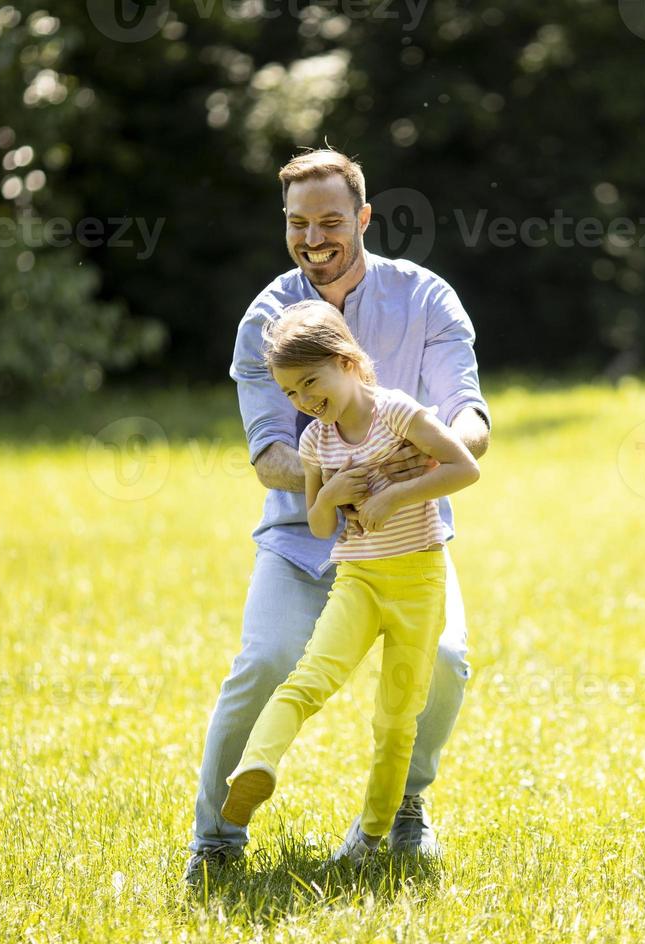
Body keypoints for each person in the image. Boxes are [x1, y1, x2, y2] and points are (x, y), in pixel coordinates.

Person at [185, 148, 491, 889]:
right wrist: (343, 483)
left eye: (329, 221)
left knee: (446, 663)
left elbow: (469, 419)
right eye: (297, 224)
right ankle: (217, 840)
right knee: (265, 663)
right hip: (304, 540)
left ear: (361, 219)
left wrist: (409, 469)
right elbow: (269, 457)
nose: (313, 238)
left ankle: (406, 808)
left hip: (407, 543)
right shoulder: (267, 317)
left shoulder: (425, 298)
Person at [219, 300, 481, 867]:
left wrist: (392, 496)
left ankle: (370, 836)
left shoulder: (399, 413)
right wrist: (333, 494)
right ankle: (255, 767)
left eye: (311, 383)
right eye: (291, 394)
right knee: (307, 677)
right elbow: (318, 521)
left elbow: (466, 467)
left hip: (417, 582)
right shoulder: (315, 440)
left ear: (348, 361)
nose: (305, 401)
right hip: (358, 579)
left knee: (395, 717)